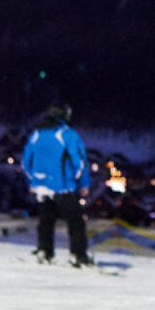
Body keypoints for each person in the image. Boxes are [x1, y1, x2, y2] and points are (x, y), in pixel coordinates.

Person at [22, 103, 93, 267]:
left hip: (40, 186)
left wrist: (32, 181)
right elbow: (80, 163)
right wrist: (84, 184)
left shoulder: (36, 135)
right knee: (75, 221)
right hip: (63, 186)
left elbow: (25, 163)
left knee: (46, 220)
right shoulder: (68, 135)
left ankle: (44, 251)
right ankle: (78, 255)